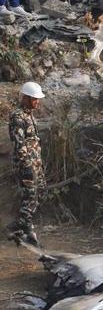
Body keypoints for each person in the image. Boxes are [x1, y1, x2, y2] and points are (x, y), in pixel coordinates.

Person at [7, 82, 45, 247]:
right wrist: (27, 166)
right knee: (29, 196)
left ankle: (19, 227)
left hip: (35, 163)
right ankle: (27, 231)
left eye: (38, 99)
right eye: (35, 99)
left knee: (38, 194)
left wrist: (38, 166)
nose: (37, 102)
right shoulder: (17, 117)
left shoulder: (29, 115)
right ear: (26, 98)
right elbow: (19, 143)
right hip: (26, 165)